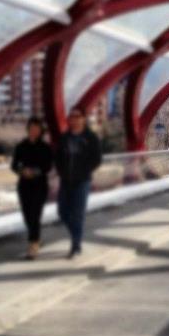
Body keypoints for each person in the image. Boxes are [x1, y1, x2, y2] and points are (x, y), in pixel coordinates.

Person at [56, 107, 102, 258]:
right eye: (72, 116)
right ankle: (76, 235)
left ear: (83, 118)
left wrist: (84, 171)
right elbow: (57, 158)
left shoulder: (90, 137)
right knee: (63, 212)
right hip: (66, 181)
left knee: (78, 214)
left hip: (82, 181)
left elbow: (97, 159)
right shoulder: (64, 138)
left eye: (77, 116)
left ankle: (75, 245)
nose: (74, 119)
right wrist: (61, 172)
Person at [11, 116, 53, 259]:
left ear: (41, 130)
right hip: (24, 185)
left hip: (40, 186)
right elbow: (14, 165)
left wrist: (35, 172)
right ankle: (36, 239)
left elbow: (48, 166)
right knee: (27, 215)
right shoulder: (21, 146)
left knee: (35, 214)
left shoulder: (45, 147)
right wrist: (22, 171)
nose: (34, 130)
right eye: (31, 127)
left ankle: (33, 245)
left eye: (37, 128)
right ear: (28, 129)